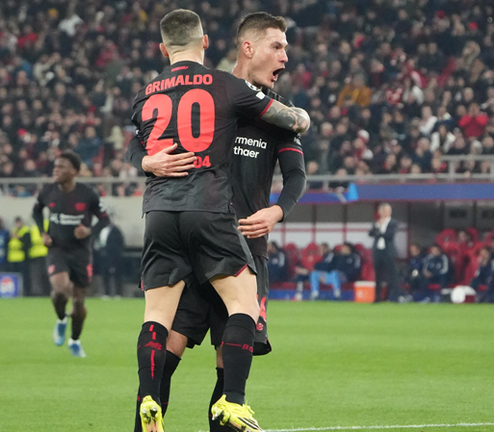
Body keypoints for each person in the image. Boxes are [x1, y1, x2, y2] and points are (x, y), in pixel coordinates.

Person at [129, 9, 309, 432]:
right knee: (168, 359)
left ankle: (214, 406)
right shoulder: (222, 92)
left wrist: (279, 210)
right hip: (208, 237)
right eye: (278, 46)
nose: (286, 57)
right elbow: (136, 146)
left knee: (223, 364)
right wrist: (146, 161)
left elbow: (297, 174)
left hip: (243, 241)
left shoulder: (270, 108)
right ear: (248, 47)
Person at [32, 150, 111, 358]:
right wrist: (43, 231)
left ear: (74, 172)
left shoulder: (87, 194)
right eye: (55, 166)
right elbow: (36, 210)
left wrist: (89, 231)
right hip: (57, 248)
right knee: (60, 289)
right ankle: (60, 320)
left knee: (78, 303)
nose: (55, 170)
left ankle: (75, 340)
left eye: (61, 167)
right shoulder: (47, 191)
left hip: (80, 252)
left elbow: (104, 219)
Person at [370, 203, 399, 302]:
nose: (385, 212)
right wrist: (379, 231)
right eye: (383, 210)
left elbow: (389, 235)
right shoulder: (376, 222)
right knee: (378, 275)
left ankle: (395, 297)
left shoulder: (393, 222)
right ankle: (377, 297)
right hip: (378, 251)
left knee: (392, 275)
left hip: (388, 251)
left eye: (387, 210)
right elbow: (371, 233)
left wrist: (378, 233)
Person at [95, 220, 125, 297]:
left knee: (116, 274)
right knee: (104, 274)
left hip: (114, 256)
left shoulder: (116, 231)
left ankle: (118, 293)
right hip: (103, 256)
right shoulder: (101, 230)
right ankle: (106, 293)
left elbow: (120, 243)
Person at [6, 217, 31, 295]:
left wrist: (18, 237)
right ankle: (14, 291)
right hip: (12, 258)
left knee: (23, 276)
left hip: (21, 257)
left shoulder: (25, 231)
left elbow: (26, 243)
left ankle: (25, 292)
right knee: (13, 276)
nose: (18, 224)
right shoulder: (13, 231)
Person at [28, 220, 52, 296]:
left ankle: (43, 291)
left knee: (43, 274)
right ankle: (43, 291)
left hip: (43, 254)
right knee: (41, 274)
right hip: (38, 255)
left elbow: (34, 240)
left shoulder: (36, 227)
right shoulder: (35, 227)